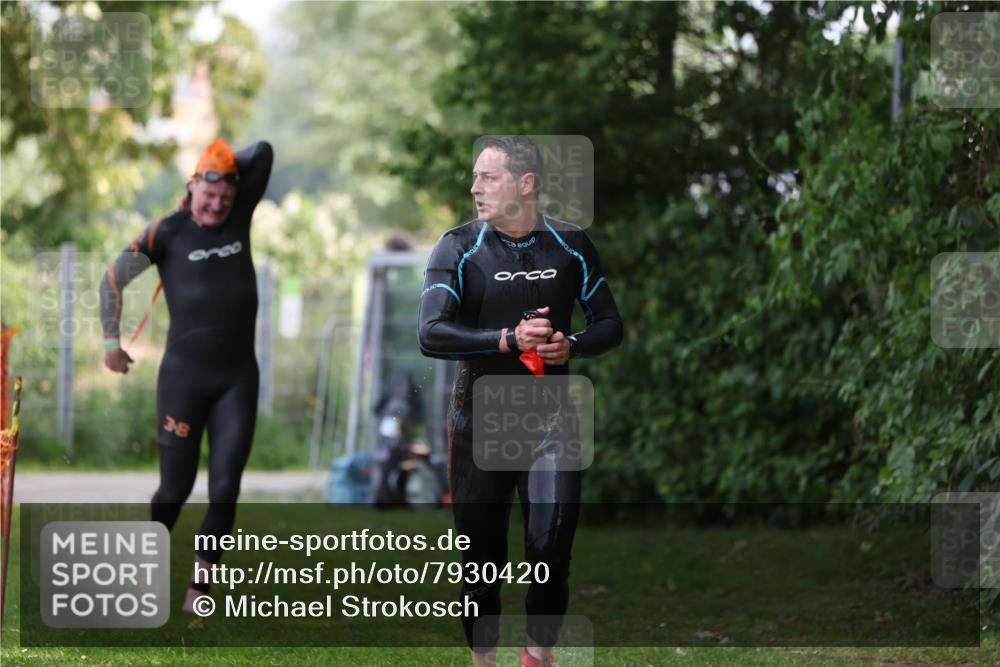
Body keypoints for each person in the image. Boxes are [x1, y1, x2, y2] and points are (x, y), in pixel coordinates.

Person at [418, 136, 623, 667]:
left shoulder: (571, 244)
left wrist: (569, 345)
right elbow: (431, 333)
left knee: (550, 548)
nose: (474, 188)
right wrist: (507, 339)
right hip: (478, 420)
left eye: (488, 177)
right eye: (475, 176)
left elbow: (609, 324)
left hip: (552, 420)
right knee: (480, 561)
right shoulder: (458, 248)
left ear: (525, 184)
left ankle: (537, 657)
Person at [99, 138, 273, 612]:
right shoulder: (166, 233)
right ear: (191, 186)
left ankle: (199, 590)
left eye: (225, 197)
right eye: (208, 193)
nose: (217, 205)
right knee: (175, 489)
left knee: (224, 489)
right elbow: (113, 278)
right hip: (184, 380)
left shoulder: (239, 215)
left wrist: (222, 165)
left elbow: (264, 151)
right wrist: (111, 342)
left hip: (238, 379)